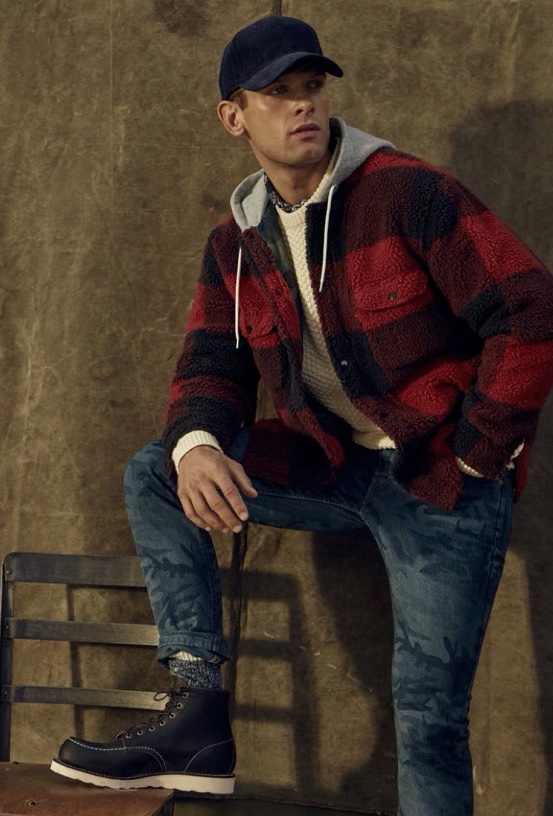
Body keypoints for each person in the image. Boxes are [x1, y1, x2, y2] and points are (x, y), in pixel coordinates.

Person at [51, 14, 553, 815]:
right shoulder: (236, 244)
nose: (301, 106)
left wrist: (476, 451)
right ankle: (196, 708)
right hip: (332, 466)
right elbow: (210, 367)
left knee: (428, 718)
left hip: (438, 476)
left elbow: (528, 308)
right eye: (277, 92)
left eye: (311, 86)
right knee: (159, 468)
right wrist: (197, 446)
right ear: (233, 116)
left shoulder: (407, 193)